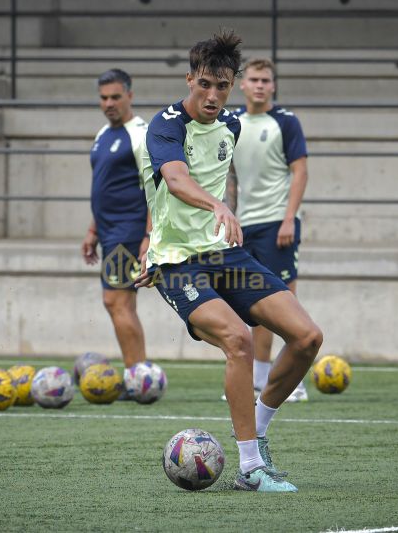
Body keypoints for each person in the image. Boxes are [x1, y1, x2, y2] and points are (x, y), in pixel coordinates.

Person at [136, 32, 323, 492]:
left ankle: (257, 429)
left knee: (306, 337)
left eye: (223, 85)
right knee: (238, 340)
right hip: (178, 263)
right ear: (189, 79)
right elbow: (175, 180)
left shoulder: (232, 126)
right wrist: (211, 210)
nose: (214, 95)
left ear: (233, 84)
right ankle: (250, 468)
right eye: (205, 84)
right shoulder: (165, 125)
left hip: (224, 255)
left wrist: (227, 207)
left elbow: (219, 178)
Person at [225, 57, 310, 403]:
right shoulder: (232, 123)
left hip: (278, 223)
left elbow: (300, 171)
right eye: (254, 80)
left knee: (284, 303)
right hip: (246, 226)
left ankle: (295, 381)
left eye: (265, 80)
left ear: (273, 86)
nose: (259, 85)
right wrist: (230, 215)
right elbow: (230, 175)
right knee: (255, 304)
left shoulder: (286, 122)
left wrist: (289, 218)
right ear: (242, 85)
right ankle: (259, 378)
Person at [81, 69, 150, 384]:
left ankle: (137, 377)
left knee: (116, 301)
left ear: (130, 96)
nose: (109, 103)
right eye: (103, 98)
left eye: (115, 97)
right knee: (122, 303)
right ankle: (138, 374)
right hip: (108, 232)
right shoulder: (102, 134)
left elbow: (156, 188)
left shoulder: (141, 134)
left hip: (129, 230)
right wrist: (93, 230)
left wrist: (149, 235)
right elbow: (103, 186)